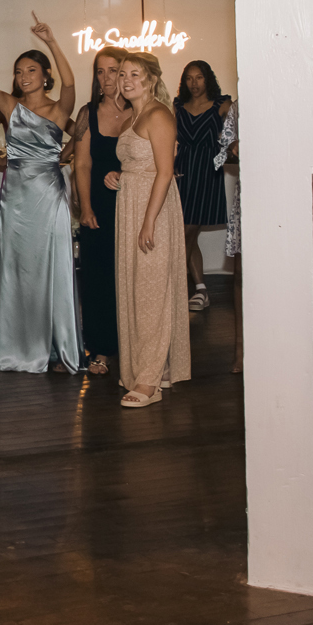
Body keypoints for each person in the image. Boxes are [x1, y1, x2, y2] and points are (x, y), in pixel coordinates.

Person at [0, 14, 80, 374]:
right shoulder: (10, 108)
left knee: (51, 268)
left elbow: (70, 82)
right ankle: (18, 345)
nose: (23, 76)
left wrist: (51, 41)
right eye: (19, 71)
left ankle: (57, 346)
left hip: (48, 196)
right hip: (15, 196)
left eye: (31, 70)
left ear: (45, 75)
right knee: (16, 271)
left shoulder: (59, 109)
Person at [112, 53, 190, 407]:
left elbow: (164, 171)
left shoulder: (159, 114)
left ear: (151, 80)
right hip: (130, 204)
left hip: (152, 208)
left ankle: (149, 382)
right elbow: (136, 163)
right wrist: (116, 176)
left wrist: (149, 220)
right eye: (122, 74)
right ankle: (157, 369)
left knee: (153, 290)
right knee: (136, 288)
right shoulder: (132, 116)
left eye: (135, 74)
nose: (126, 80)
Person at [71, 47, 130, 377]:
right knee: (98, 278)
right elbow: (81, 164)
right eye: (100, 71)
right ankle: (101, 349)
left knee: (133, 277)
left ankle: (135, 348)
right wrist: (86, 207)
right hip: (98, 205)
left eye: (114, 70)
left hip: (135, 203)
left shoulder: (142, 111)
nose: (106, 78)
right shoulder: (88, 113)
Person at [174, 60, 232, 312]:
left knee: (186, 231)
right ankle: (200, 290)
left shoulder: (222, 104)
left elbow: (238, 131)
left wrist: (231, 146)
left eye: (199, 77)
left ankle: (173, 288)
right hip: (181, 172)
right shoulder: (177, 106)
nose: (194, 83)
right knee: (187, 233)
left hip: (207, 173)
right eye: (189, 78)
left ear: (208, 79)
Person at [215, 100, 243, 375]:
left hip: (283, 194)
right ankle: (240, 349)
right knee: (241, 276)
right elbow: (224, 149)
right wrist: (233, 147)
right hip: (247, 194)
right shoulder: (238, 106)